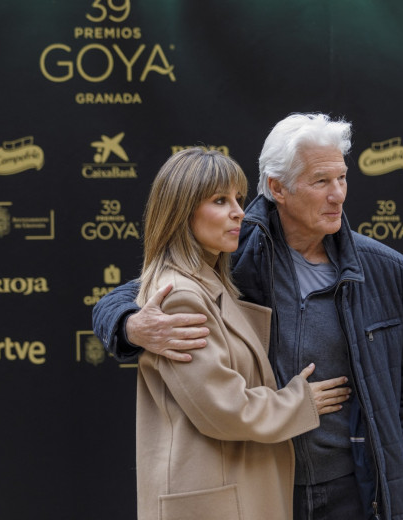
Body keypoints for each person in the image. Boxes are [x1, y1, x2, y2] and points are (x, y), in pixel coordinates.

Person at [94, 113, 403, 520]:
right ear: (278, 188)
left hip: (359, 493)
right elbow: (130, 294)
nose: (338, 195)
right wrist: (130, 325)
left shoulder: (390, 271)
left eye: (342, 178)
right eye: (321, 182)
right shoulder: (231, 254)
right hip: (266, 492)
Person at [131, 147, 351, 520]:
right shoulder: (180, 296)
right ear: (181, 212)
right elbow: (224, 408)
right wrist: (300, 402)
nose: (238, 211)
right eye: (220, 200)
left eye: (238, 198)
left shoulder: (207, 282)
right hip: (213, 503)